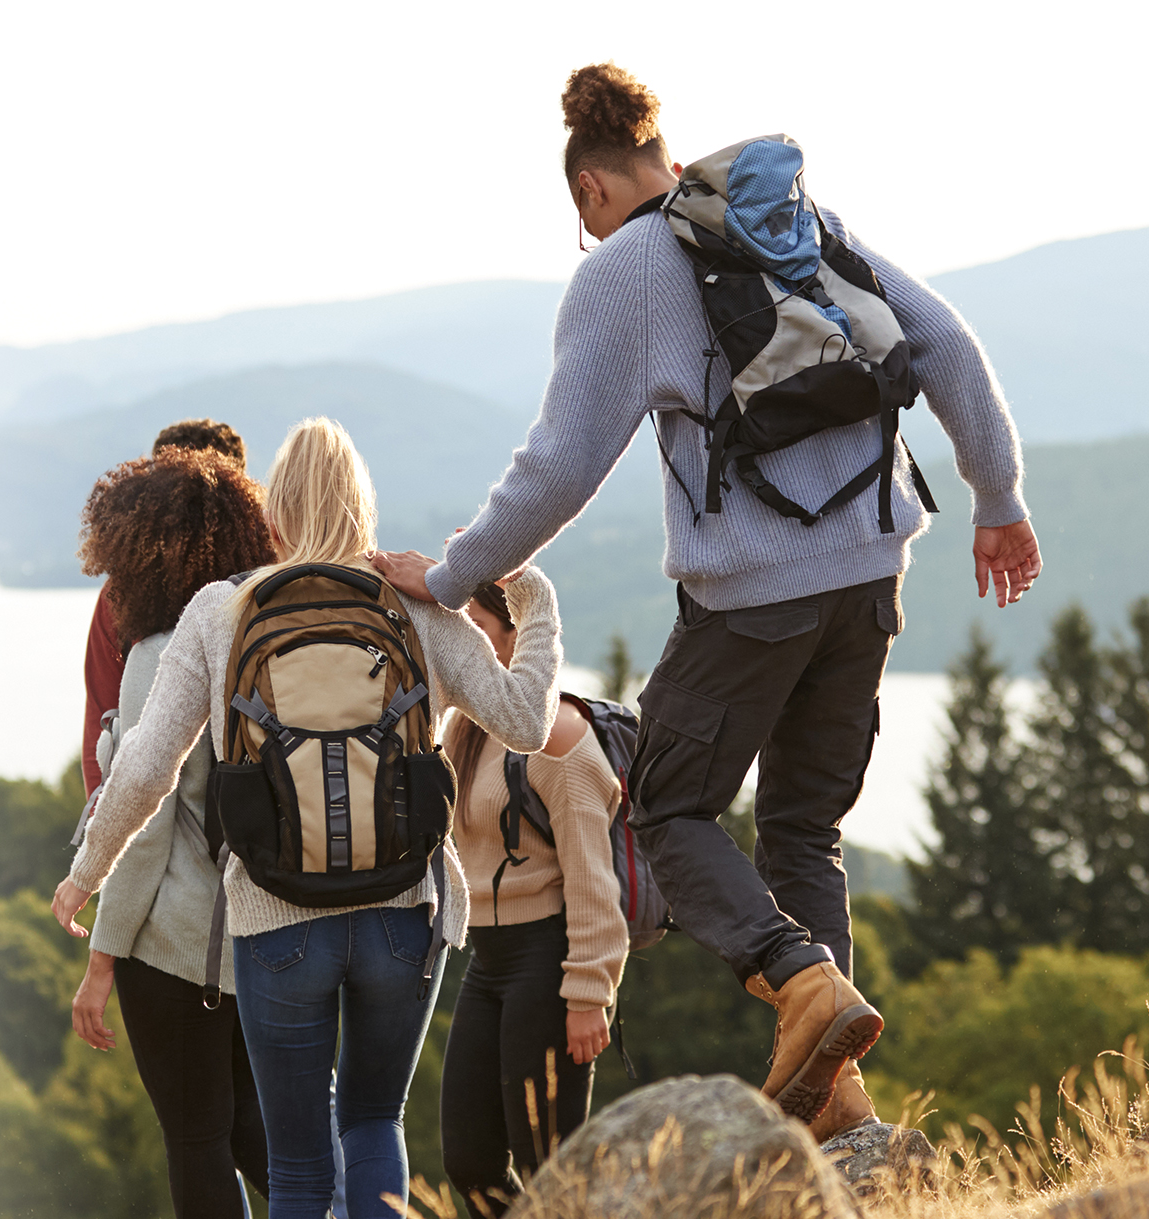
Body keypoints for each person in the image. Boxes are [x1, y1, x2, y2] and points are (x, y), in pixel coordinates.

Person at [371, 63, 1042, 1142]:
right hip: (873, 571)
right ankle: (838, 1105)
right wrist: (997, 497)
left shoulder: (620, 273)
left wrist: (445, 580)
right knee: (802, 827)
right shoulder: (790, 219)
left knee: (662, 803)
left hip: (752, 598)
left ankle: (798, 980)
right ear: (665, 163)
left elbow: (556, 468)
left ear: (590, 192)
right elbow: (945, 342)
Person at [55, 417, 563, 1219]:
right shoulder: (417, 603)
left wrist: (85, 874)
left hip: (276, 920)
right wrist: (533, 600)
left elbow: (145, 766)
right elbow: (526, 721)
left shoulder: (221, 613)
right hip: (404, 910)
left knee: (294, 1161)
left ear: (277, 513)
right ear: (364, 503)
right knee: (372, 1121)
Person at [69, 442, 279, 1218]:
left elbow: (144, 826)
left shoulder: (160, 653)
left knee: (196, 1137)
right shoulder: (262, 637)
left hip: (177, 943)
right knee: (257, 1125)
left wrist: (102, 956)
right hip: (268, 930)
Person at [436, 582, 627, 1217]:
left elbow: (593, 877)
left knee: (550, 1165)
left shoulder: (559, 738)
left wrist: (588, 994)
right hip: (487, 962)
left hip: (547, 960)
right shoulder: (467, 727)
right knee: (470, 1163)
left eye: (478, 627)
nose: (463, 641)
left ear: (518, 639)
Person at [83, 419, 251, 796]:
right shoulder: (266, 584)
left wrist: (101, 822)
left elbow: (102, 723)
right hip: (253, 814)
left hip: (148, 818)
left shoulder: (121, 597)